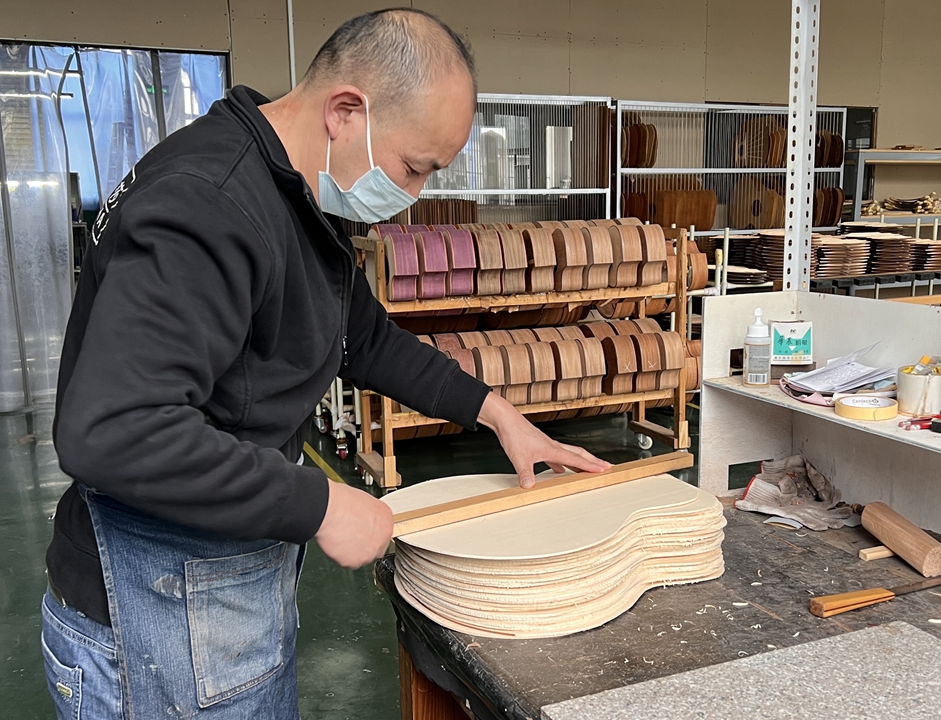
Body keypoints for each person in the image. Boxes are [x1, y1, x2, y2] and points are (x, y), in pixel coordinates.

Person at [41, 9, 608, 719]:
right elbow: (113, 429)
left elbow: (363, 341)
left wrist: (498, 414)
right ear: (347, 111)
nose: (414, 196)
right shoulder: (209, 205)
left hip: (220, 589)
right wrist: (319, 503)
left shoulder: (301, 200)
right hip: (152, 609)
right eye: (413, 168)